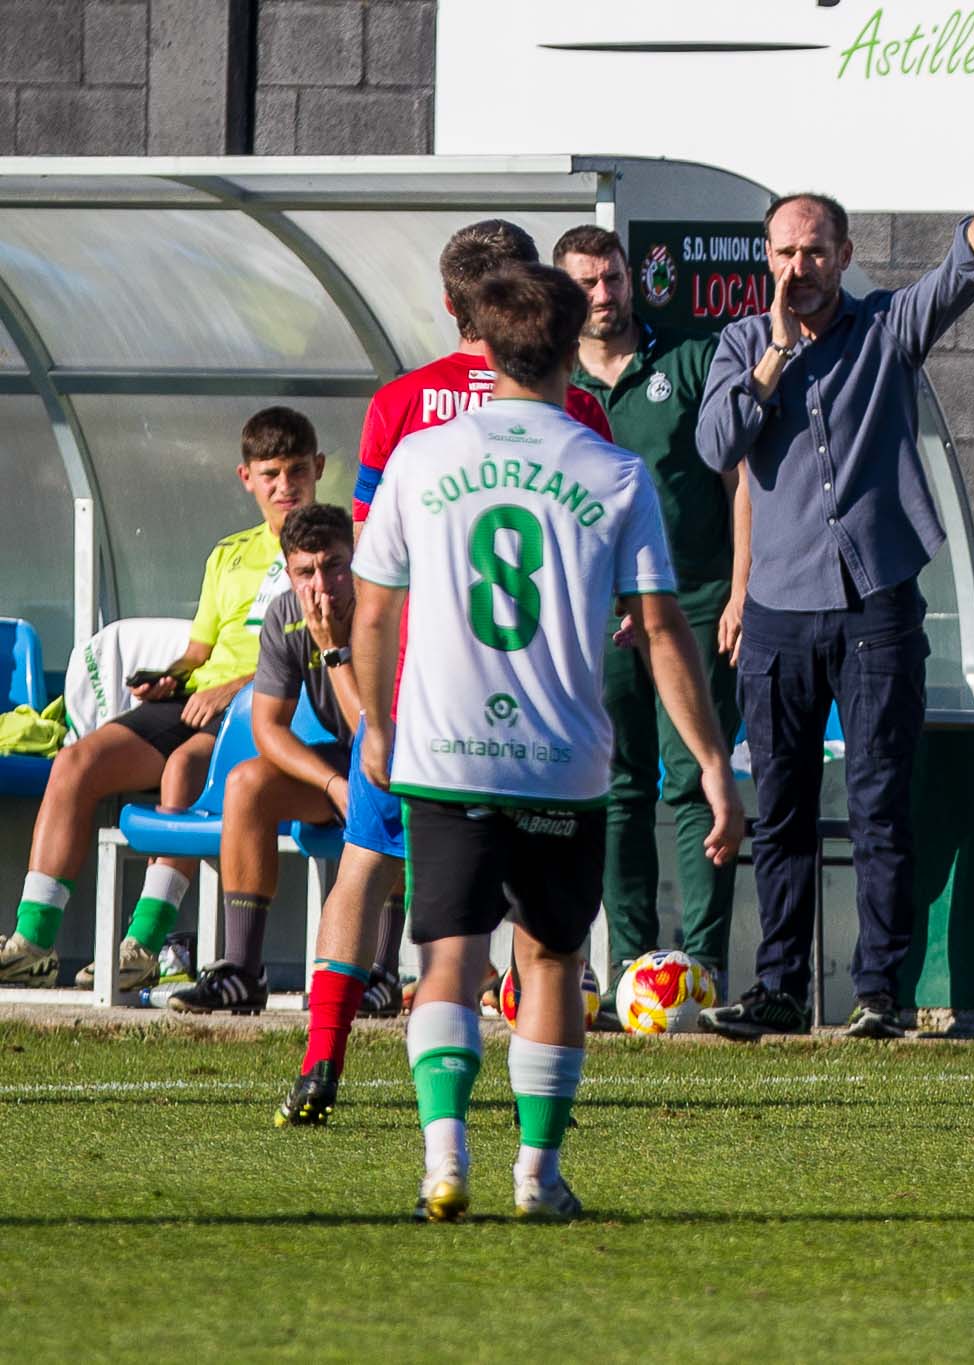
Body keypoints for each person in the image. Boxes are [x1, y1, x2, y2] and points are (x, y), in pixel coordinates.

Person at [351, 261, 742, 1221]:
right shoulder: (614, 471)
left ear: (483, 346)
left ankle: (444, 1160)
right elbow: (660, 629)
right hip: (563, 759)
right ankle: (537, 1173)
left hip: (443, 751)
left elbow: (373, 610)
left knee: (448, 956)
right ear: (573, 347)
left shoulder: (420, 459)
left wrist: (376, 721)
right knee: (554, 960)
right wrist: (711, 762)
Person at [694, 133, 974, 1040]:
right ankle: (778, 988)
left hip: (876, 607)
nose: (799, 268)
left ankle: (881, 990)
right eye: (784, 252)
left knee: (882, 803)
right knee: (782, 812)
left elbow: (961, 275)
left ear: (843, 255)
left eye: (815, 252)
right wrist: (773, 356)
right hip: (777, 614)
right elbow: (716, 445)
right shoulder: (738, 344)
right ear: (765, 260)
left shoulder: (884, 328)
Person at [276, 220, 615, 1126]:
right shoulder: (578, 411)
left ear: (449, 303)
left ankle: (322, 1062)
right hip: (543, 704)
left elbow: (371, 568)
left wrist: (363, 689)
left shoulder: (400, 405)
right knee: (541, 928)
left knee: (366, 868)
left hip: (421, 695)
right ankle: (536, 1130)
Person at [0, 408, 323, 989]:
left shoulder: (333, 554)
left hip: (271, 706)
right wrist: (168, 678)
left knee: (185, 768)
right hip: (200, 700)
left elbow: (325, 651)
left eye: (297, 470)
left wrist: (235, 687)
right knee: (76, 762)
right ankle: (34, 944)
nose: (285, 486)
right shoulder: (229, 554)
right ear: (246, 478)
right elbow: (199, 651)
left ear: (318, 469)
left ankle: (143, 947)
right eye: (270, 474)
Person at [555, 224, 745, 1002]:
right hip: (596, 611)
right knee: (617, 786)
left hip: (694, 600)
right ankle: (633, 968)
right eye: (587, 283)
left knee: (697, 774)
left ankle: (703, 968)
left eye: (614, 277)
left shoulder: (690, 360)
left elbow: (739, 480)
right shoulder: (553, 384)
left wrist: (740, 589)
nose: (605, 294)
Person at [169, 504, 359, 1013]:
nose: (321, 585)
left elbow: (377, 730)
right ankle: (242, 971)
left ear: (356, 559)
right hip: (346, 764)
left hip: (407, 758)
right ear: (288, 572)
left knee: (385, 787)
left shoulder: (383, 606)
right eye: (305, 572)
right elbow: (269, 728)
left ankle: (379, 975)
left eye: (334, 566)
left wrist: (334, 649)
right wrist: (332, 784)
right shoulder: (285, 614)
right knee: (247, 784)